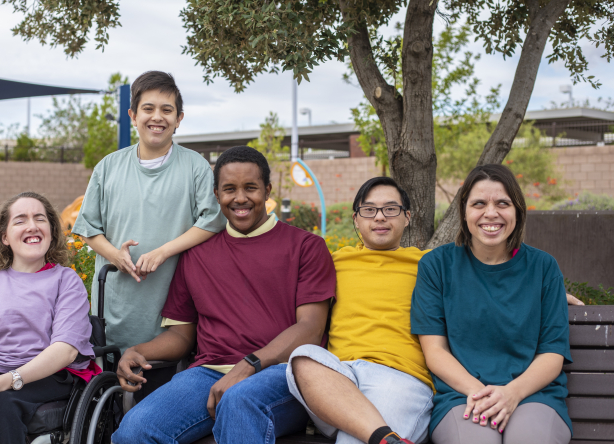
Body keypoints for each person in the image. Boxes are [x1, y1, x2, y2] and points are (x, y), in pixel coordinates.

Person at [112, 146, 337, 444]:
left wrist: (249, 366)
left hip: (283, 376)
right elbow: (182, 336)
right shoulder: (196, 254)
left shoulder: (306, 246)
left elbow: (311, 328)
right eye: (229, 189)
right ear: (217, 194)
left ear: (267, 190)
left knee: (238, 401)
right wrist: (140, 351)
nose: (240, 198)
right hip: (207, 375)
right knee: (134, 430)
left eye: (251, 188)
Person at [411, 164, 572, 444]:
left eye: (502, 203)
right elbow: (435, 351)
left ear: (517, 211)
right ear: (463, 211)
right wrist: (482, 393)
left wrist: (511, 393)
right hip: (463, 396)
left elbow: (552, 354)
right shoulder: (436, 266)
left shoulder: (543, 267)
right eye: (479, 203)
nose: (491, 213)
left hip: (533, 395)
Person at [72, 71, 226, 353]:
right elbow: (88, 228)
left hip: (172, 307)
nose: (158, 117)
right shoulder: (108, 167)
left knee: (162, 377)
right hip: (116, 303)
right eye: (148, 109)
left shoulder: (196, 167)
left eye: (167, 110)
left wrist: (163, 251)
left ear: (179, 118)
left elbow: (212, 221)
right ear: (133, 115)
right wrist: (115, 255)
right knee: (112, 382)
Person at [0, 191, 96, 444]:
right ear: (5, 237)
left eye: (40, 219)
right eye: (20, 220)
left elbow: (65, 351)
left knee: (2, 405)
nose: (32, 226)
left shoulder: (66, 282)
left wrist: (3, 383)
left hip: (46, 375)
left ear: (52, 232)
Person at [287, 177, 432, 444]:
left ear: (407, 217)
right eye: (369, 210)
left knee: (352, 439)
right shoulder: (335, 261)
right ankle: (381, 435)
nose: (379, 217)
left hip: (398, 377)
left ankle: (380, 436)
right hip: (338, 381)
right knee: (303, 356)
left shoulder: (428, 264)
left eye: (390, 209)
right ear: (356, 219)